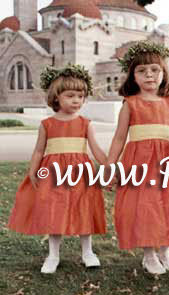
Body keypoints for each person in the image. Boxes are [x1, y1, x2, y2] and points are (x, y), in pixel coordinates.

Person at [107, 41, 169, 275]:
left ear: (164, 73)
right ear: (133, 76)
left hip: (167, 163)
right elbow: (120, 137)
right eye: (142, 71)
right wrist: (111, 165)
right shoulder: (130, 104)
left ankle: (165, 249)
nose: (149, 74)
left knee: (167, 204)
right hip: (140, 163)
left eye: (154, 69)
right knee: (145, 207)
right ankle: (149, 254)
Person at [8, 64, 106, 274]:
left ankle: (87, 252)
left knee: (83, 209)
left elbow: (95, 149)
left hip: (81, 173)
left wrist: (109, 165)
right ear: (56, 97)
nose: (76, 100)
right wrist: (33, 171)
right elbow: (38, 151)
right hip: (53, 174)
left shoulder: (85, 123)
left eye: (80, 96)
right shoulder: (47, 124)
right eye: (71, 95)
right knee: (55, 209)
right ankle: (53, 254)